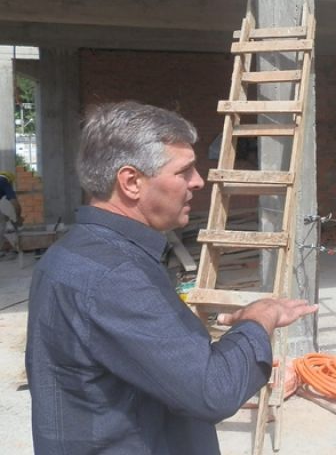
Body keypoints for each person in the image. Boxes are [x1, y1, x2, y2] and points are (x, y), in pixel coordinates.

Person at [25, 101, 317, 454]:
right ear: (131, 182)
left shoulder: (72, 254)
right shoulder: (115, 276)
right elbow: (213, 390)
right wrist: (259, 320)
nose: (198, 181)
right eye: (184, 171)